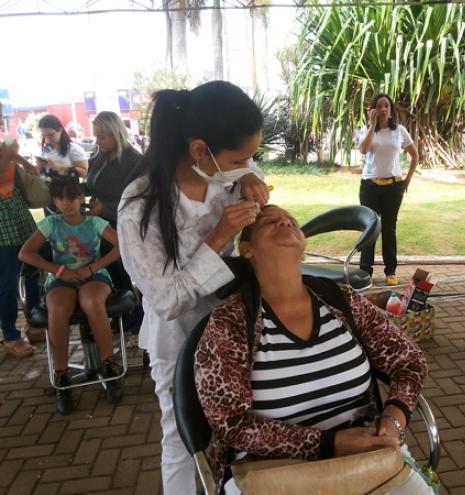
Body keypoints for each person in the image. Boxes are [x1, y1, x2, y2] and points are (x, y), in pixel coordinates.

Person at [195, 205, 431, 493]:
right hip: (272, 470)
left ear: (303, 247)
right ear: (247, 249)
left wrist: (394, 417)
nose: (284, 222)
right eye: (269, 221)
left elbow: (408, 360)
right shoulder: (230, 322)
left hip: (367, 458)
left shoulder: (342, 301)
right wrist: (329, 444)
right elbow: (231, 423)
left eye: (290, 220)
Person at [117, 81, 269, 494]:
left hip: (233, 329)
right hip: (177, 336)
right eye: (241, 157)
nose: (249, 164)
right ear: (200, 149)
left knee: (240, 427)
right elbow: (165, 300)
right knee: (182, 437)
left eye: (253, 156)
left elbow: (245, 180)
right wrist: (217, 237)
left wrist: (253, 178)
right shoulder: (139, 207)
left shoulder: (227, 178)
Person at [18, 171, 124, 415]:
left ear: (80, 198)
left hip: (94, 275)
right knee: (57, 308)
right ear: (54, 201)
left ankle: (109, 365)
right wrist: (58, 270)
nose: (66, 203)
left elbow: (122, 246)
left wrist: (93, 267)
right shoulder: (51, 224)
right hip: (62, 278)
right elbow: (25, 253)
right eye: (60, 198)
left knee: (92, 302)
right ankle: (62, 375)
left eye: (71, 197)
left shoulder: (94, 223)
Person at [86, 111, 144, 338]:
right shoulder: (101, 156)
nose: (98, 141)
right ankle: (124, 317)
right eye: (96, 136)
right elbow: (93, 184)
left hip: (122, 225)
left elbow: (138, 199)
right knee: (112, 273)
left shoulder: (134, 160)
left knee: (124, 273)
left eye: (102, 137)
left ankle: (135, 319)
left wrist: (106, 208)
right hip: (101, 225)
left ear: (116, 133)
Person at [358, 93, 418, 286]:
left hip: (393, 188)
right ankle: (364, 272)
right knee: (370, 228)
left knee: (389, 229)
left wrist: (407, 181)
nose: (384, 109)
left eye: (387, 106)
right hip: (369, 186)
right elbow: (364, 150)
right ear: (373, 109)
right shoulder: (366, 130)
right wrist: (371, 124)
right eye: (379, 106)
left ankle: (390, 271)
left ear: (391, 110)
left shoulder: (399, 131)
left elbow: (415, 155)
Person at [0, 138, 41, 357]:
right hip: (2, 229)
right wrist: (12, 151)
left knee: (31, 272)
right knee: (7, 283)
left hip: (19, 217)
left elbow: (8, 153)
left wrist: (23, 160)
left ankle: (34, 323)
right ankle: (10, 336)